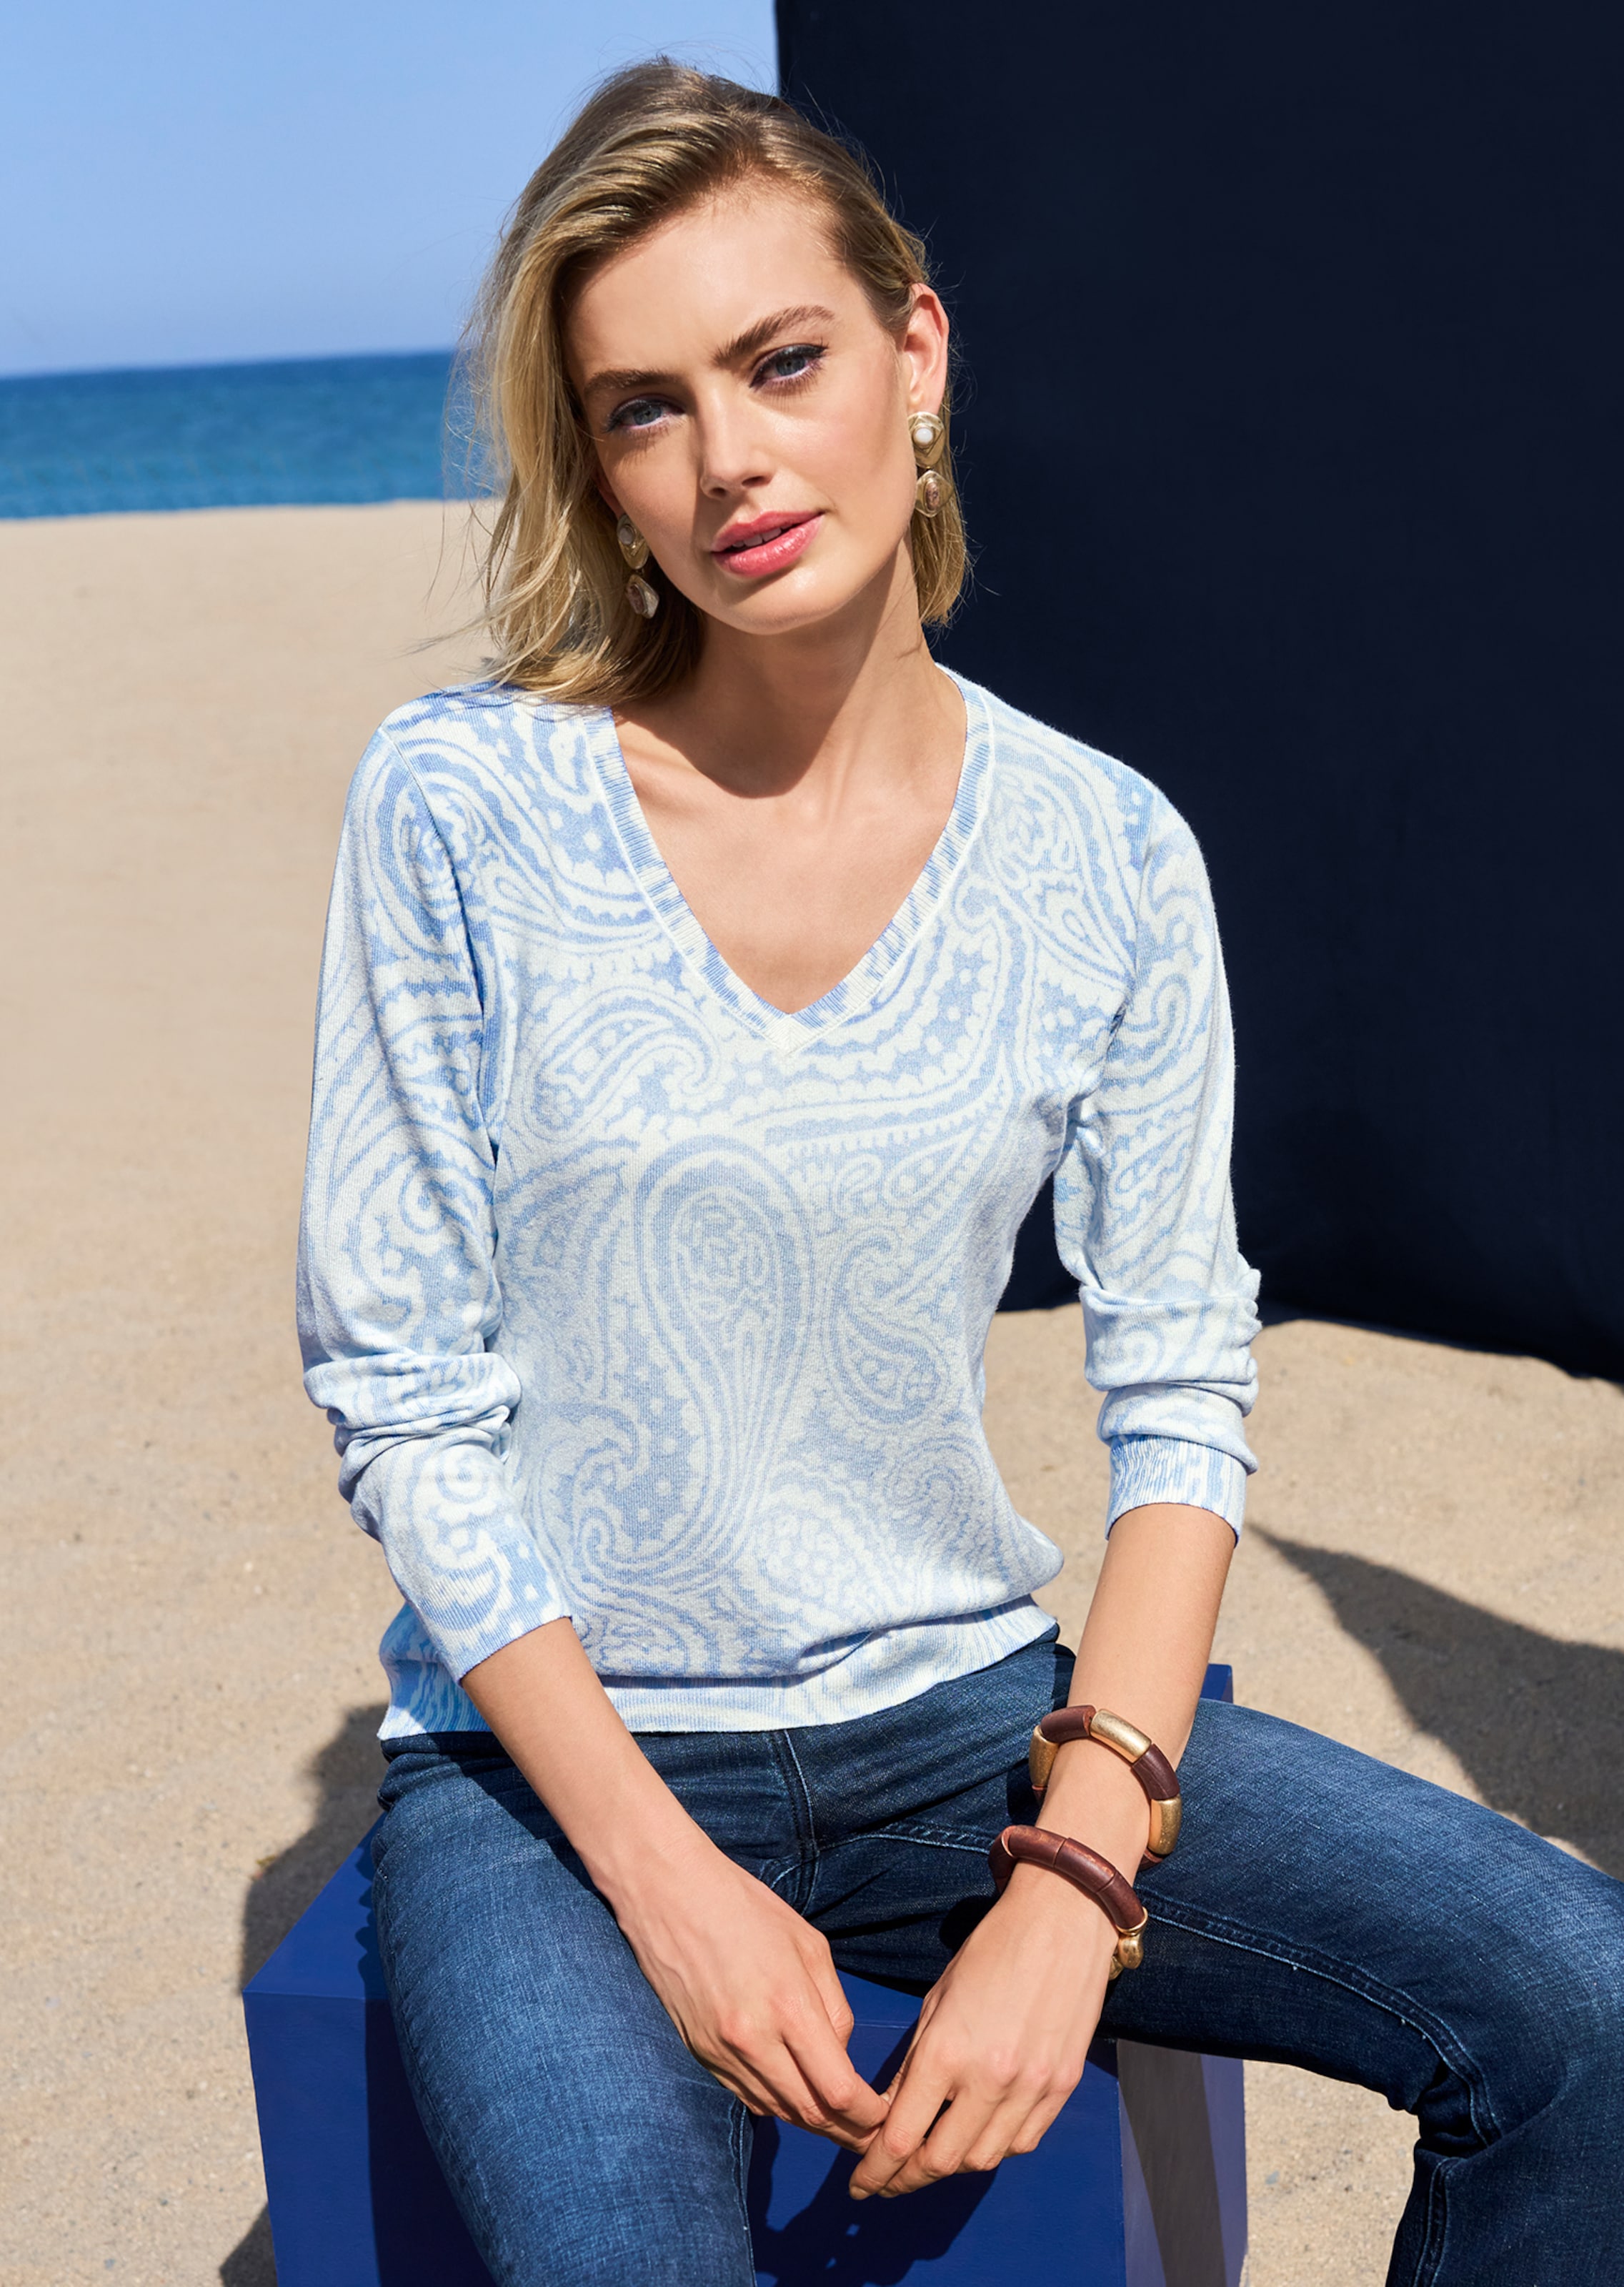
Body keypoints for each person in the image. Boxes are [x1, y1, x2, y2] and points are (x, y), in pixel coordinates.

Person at [296, 61, 1624, 2287]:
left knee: (1583, 2003)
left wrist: (1077, 1875)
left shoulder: (1104, 854)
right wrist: (667, 1884)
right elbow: (399, 1389)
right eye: (642, 410)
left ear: (913, 354)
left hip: (964, 1724)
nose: (727, 460)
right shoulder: (461, 804)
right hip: (551, 1775)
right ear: (598, 471)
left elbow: (1181, 1383)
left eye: (780, 361)